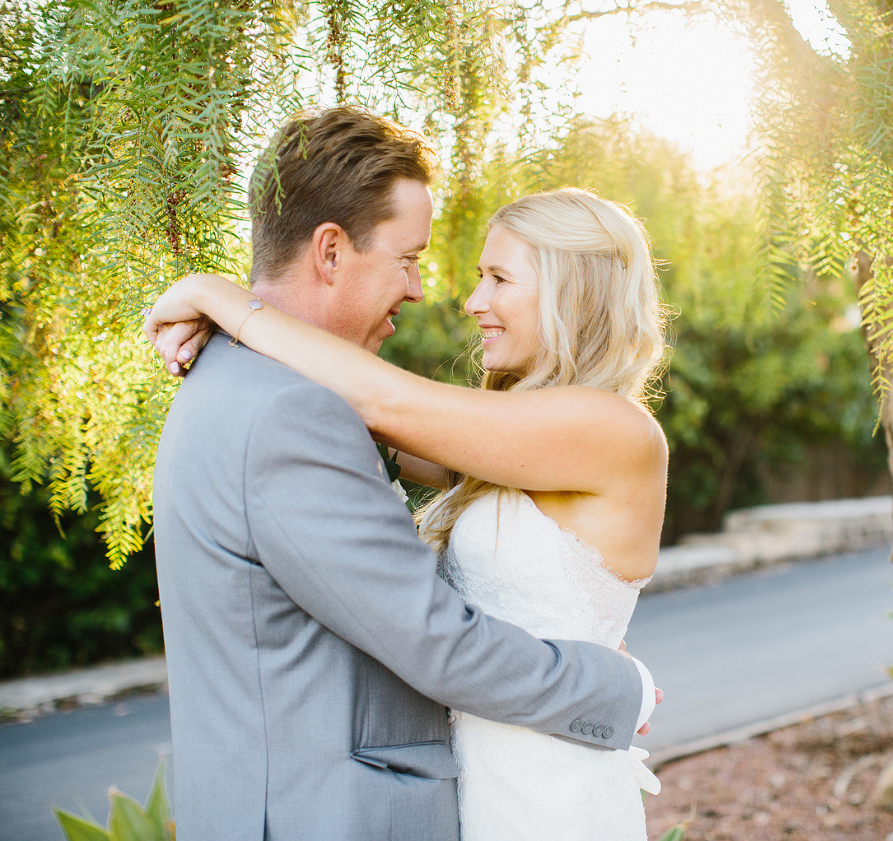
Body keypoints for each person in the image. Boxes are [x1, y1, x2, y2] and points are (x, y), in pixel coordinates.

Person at [146, 106, 658, 841]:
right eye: (410, 258)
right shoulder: (296, 411)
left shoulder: (605, 429)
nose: (453, 297)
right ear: (330, 251)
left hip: (543, 790)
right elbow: (379, 410)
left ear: (570, 292)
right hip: (449, 786)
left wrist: (225, 300)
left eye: (498, 278)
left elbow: (388, 404)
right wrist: (232, 306)